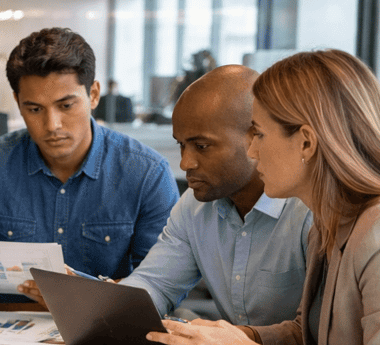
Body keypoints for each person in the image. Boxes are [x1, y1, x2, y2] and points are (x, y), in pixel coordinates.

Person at [149, 49, 380, 345]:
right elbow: (308, 333)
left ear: (305, 142)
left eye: (259, 134)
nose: (251, 151)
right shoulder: (331, 220)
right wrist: (236, 339)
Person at [0, 27, 179, 306]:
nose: (52, 125)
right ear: (18, 104)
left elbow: (161, 288)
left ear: (93, 95)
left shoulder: (147, 173)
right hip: (12, 335)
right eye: (34, 109)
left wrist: (83, 296)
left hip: (107, 329)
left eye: (66, 106)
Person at [119, 65, 312, 325]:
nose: (185, 163)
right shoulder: (193, 206)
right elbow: (155, 284)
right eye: (181, 145)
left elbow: (316, 336)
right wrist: (109, 312)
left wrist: (231, 342)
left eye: (202, 146)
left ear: (256, 137)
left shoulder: (309, 208)